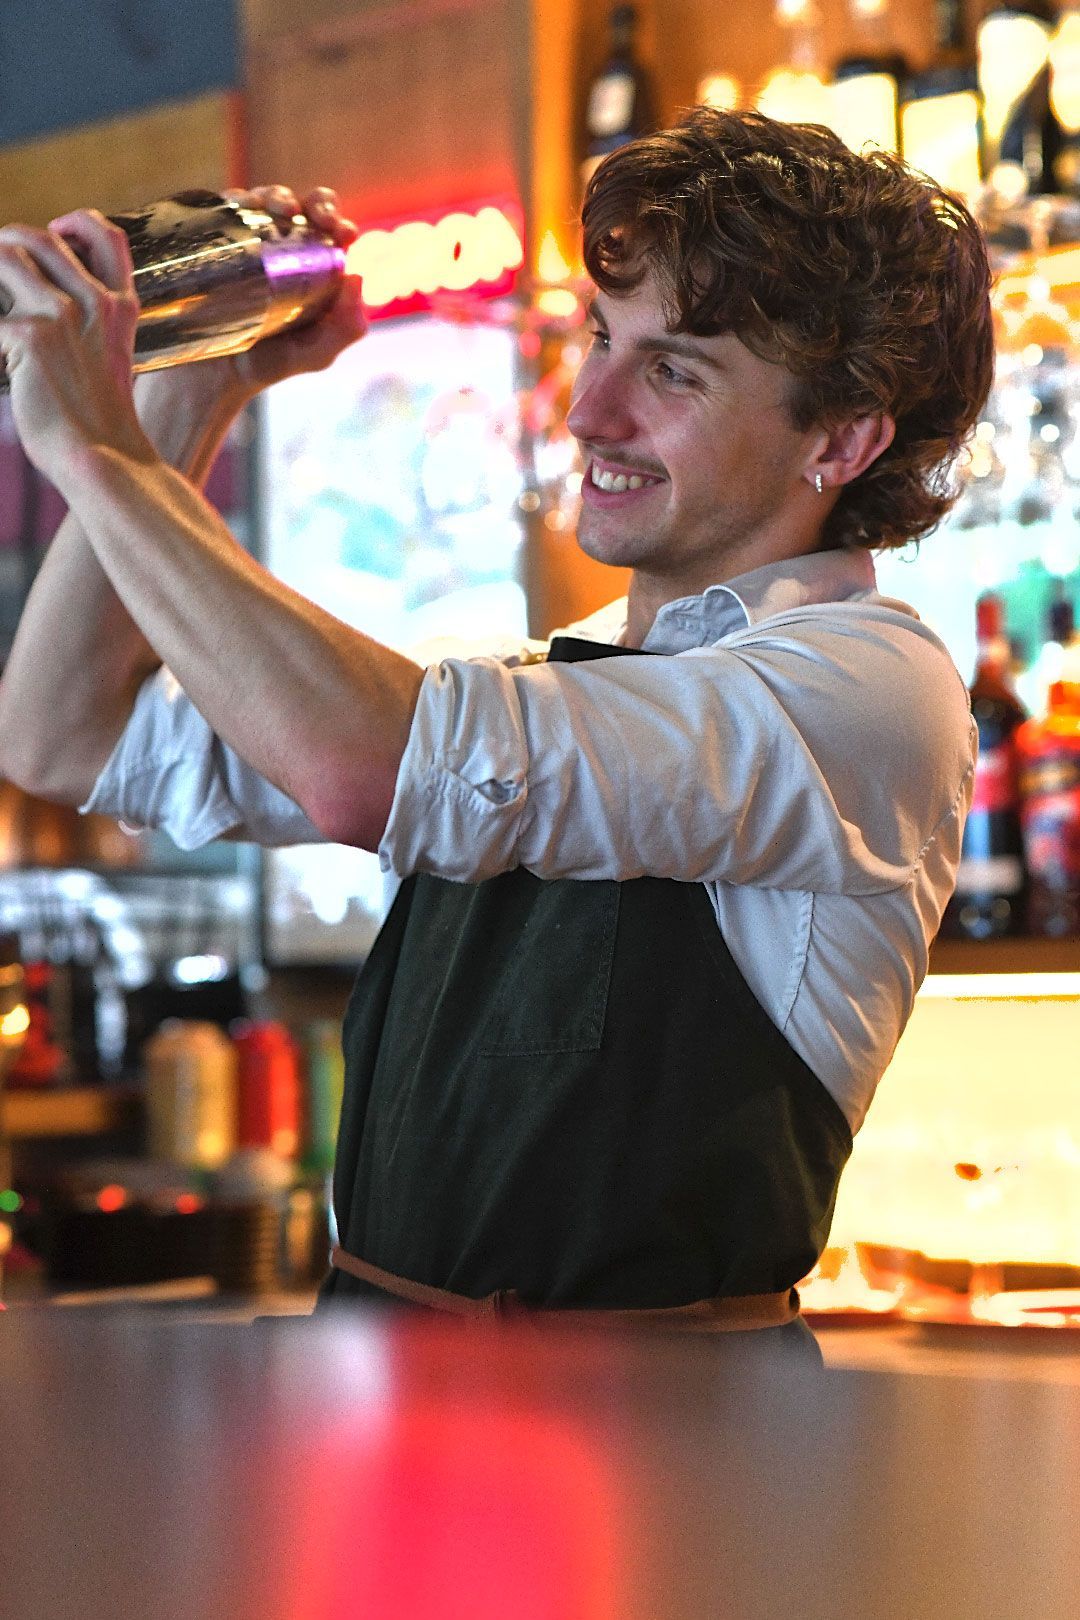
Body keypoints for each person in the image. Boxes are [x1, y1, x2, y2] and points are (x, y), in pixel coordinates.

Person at [0, 109, 993, 1332]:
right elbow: (59, 734)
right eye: (600, 339)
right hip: (390, 1402)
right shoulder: (556, 691)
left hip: (677, 1446)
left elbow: (366, 769)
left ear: (843, 439)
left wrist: (100, 456)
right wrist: (192, 402)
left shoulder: (867, 691)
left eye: (675, 368)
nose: (591, 410)